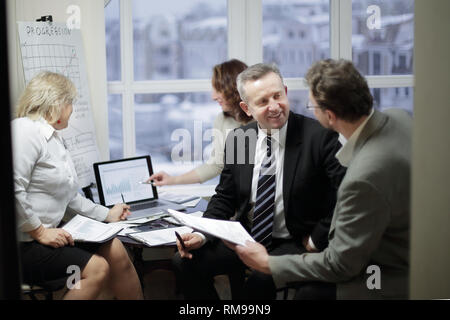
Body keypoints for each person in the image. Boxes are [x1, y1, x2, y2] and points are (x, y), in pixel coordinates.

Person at [232, 59, 412, 299]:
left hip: (389, 272)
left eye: (311, 106)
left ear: (329, 115)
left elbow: (340, 265)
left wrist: (268, 264)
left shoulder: (361, 180)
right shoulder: (399, 117)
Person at [172, 63, 346, 299]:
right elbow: (225, 197)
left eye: (278, 96)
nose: (274, 106)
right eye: (263, 102)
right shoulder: (239, 139)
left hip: (294, 240)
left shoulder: (320, 136)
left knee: (259, 282)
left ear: (285, 91)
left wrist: (317, 239)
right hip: (246, 236)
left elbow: (343, 196)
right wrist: (201, 234)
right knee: (184, 262)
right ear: (247, 108)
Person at [12, 71, 143, 300]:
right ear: (57, 103)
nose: (72, 109)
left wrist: (108, 215)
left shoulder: (54, 139)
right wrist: (40, 231)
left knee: (116, 250)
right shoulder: (25, 130)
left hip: (47, 237)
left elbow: (70, 198)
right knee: (97, 269)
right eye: (70, 103)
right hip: (25, 244)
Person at [149, 59, 253, 186]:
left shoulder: (261, 119)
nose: (213, 97)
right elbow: (215, 165)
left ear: (233, 88)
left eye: (218, 89)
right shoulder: (222, 119)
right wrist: (173, 180)